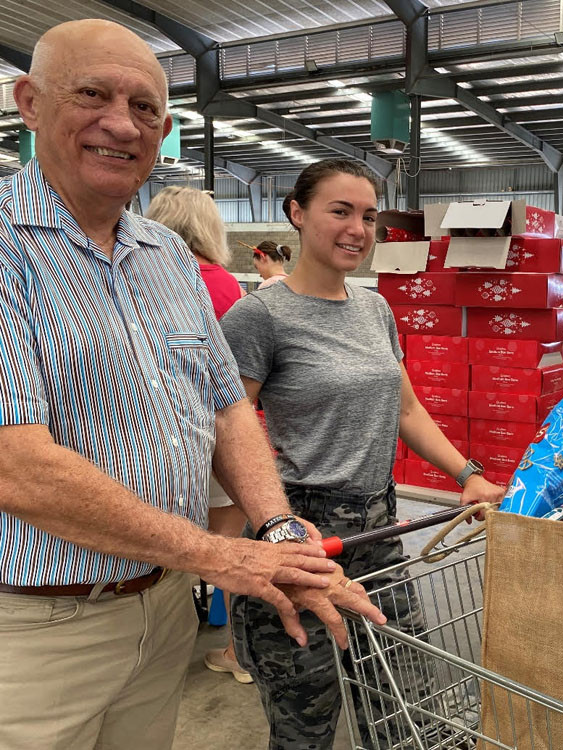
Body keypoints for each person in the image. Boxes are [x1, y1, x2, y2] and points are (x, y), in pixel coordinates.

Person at [0, 20, 384, 750]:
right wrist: (225, 555)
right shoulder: (5, 248)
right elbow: (16, 466)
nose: (122, 124)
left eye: (145, 108)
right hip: (30, 630)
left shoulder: (168, 258)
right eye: (93, 94)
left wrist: (276, 529)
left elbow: (226, 406)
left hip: (163, 608)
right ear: (30, 102)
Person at [221, 157, 505, 749]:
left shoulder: (375, 308)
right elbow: (230, 424)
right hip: (299, 533)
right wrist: (267, 522)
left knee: (404, 710)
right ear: (297, 214)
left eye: (369, 216)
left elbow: (406, 411)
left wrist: (467, 474)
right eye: (340, 211)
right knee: (307, 719)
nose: (358, 229)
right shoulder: (259, 316)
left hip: (378, 531)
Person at [144, 185, 253, 684]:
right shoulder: (225, 284)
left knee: (160, 540)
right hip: (221, 430)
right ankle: (237, 650)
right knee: (229, 544)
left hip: (155, 439)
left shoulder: (141, 276)